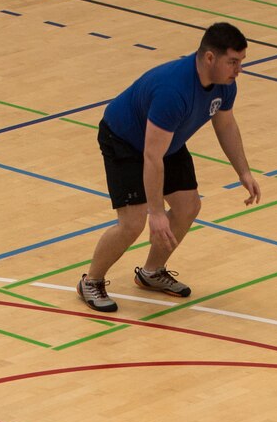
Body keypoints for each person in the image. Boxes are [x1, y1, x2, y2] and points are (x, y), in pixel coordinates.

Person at [75, 23, 262, 315]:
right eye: (233, 62)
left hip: (166, 141)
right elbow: (151, 156)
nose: (238, 70)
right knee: (133, 222)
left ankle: (151, 272)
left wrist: (244, 172)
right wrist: (157, 212)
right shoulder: (173, 90)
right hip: (124, 140)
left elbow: (225, 124)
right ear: (210, 58)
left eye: (241, 62)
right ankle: (91, 281)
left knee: (188, 206)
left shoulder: (225, 86)